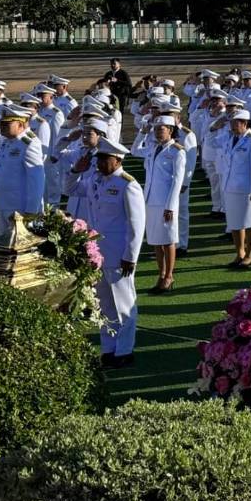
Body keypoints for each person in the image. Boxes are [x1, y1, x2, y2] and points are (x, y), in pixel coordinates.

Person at [83, 139, 146, 368]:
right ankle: (108, 348)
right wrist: (75, 169)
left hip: (119, 255)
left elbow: (136, 224)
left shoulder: (128, 184)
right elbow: (68, 188)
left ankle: (124, 351)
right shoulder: (95, 181)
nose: (99, 163)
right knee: (104, 305)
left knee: (124, 304)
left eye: (104, 158)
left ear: (117, 160)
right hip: (98, 254)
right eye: (98, 158)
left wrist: (131, 255)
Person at [140, 115, 186, 293]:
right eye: (156, 128)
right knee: (155, 241)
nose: (158, 131)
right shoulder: (153, 148)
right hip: (151, 199)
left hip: (166, 202)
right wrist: (142, 134)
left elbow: (177, 181)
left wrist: (171, 206)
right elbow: (136, 149)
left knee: (168, 240)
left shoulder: (176, 151)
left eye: (162, 128)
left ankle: (169, 276)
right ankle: (161, 274)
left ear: (171, 130)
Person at [0, 104, 46, 236]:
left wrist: (32, 209)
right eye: (1, 123)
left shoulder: (29, 143)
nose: (2, 127)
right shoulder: (5, 140)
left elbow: (37, 179)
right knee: (5, 244)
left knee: (20, 249)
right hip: (3, 202)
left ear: (20, 125)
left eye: (6, 124)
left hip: (19, 206)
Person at [220, 108, 251, 268]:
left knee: (250, 221)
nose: (231, 126)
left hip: (246, 188)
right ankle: (239, 253)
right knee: (234, 222)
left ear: (244, 123)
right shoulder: (229, 138)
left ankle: (250, 253)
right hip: (230, 185)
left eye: (235, 123)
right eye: (231, 122)